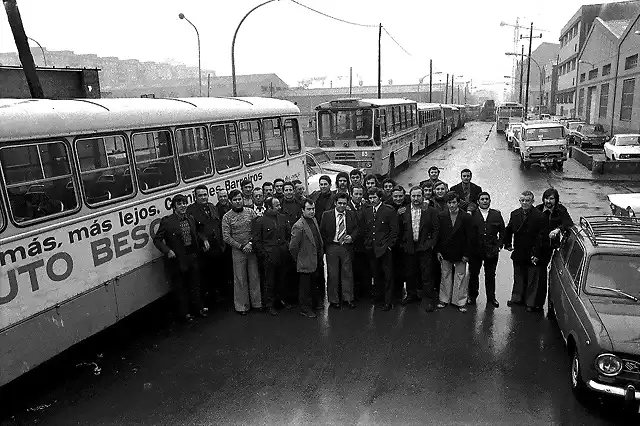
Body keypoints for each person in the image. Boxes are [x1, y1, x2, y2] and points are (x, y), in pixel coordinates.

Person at [153, 194, 207, 322]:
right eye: (179, 204)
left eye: (184, 203)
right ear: (174, 207)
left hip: (192, 255)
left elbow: (196, 233)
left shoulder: (190, 218)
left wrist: (203, 240)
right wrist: (168, 251)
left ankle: (198, 308)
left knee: (195, 284)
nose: (183, 206)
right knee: (180, 287)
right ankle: (185, 313)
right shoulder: (167, 221)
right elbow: (157, 240)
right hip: (178, 259)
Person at [398, 186, 440, 311]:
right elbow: (399, 230)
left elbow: (436, 229)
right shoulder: (403, 211)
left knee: (426, 274)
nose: (416, 199)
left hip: (424, 247)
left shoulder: (430, 211)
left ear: (423, 196)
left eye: (418, 196)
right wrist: (403, 244)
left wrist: (431, 244)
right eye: (413, 196)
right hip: (409, 247)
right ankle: (411, 295)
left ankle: (428, 299)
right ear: (409, 197)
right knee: (410, 273)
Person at [503, 190, 545, 312]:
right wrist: (507, 244)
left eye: (527, 201)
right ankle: (516, 299)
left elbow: (541, 237)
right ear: (519, 201)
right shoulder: (514, 214)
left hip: (532, 252)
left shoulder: (539, 216)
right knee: (518, 277)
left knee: (532, 280)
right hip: (519, 251)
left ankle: (529, 303)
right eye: (522, 200)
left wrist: (536, 254)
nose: (525, 203)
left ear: (532, 201)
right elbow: (509, 229)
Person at [222, 189, 261, 315]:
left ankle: (257, 303)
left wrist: (250, 243)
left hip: (251, 248)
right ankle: (242, 306)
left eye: (239, 199)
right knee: (240, 278)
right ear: (230, 201)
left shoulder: (250, 212)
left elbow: (257, 229)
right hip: (238, 250)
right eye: (235, 200)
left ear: (243, 199)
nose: (238, 202)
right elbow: (226, 236)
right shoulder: (227, 217)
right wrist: (240, 246)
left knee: (254, 276)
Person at [187, 185, 225, 308]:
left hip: (216, 247)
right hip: (204, 249)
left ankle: (217, 296)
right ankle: (206, 300)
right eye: (200, 195)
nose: (203, 197)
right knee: (205, 276)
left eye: (205, 194)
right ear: (195, 197)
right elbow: (192, 230)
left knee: (217, 273)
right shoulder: (191, 210)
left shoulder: (212, 207)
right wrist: (203, 239)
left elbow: (217, 225)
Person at [535, 188, 573, 310]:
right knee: (539, 275)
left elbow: (569, 223)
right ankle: (537, 302)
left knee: (551, 274)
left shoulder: (561, 210)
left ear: (556, 200)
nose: (548, 201)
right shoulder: (538, 209)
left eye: (551, 198)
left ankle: (547, 303)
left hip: (554, 247)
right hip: (541, 246)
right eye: (546, 198)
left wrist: (558, 229)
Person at [361, 187, 398, 311]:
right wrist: (367, 243)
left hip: (385, 249)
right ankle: (379, 296)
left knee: (388, 275)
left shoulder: (388, 210)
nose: (372, 200)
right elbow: (365, 228)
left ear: (380, 197)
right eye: (370, 198)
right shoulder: (367, 211)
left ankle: (388, 301)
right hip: (372, 249)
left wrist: (389, 246)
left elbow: (394, 230)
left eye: (374, 197)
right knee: (375, 274)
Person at [252, 197, 291, 316]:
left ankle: (281, 301)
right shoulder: (260, 221)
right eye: (277, 206)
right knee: (269, 281)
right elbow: (257, 241)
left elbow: (288, 235)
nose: (280, 207)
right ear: (269, 207)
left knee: (282, 279)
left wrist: (286, 247)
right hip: (269, 256)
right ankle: (269, 304)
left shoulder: (283, 218)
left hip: (282, 254)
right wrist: (264, 255)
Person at [320, 192, 359, 309]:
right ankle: (333, 300)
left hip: (346, 247)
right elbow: (322, 231)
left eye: (344, 204)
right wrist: (328, 244)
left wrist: (352, 237)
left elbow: (357, 228)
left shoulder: (351, 214)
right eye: (340, 203)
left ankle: (348, 299)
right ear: (335, 203)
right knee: (332, 274)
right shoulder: (327, 215)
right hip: (333, 246)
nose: (342, 206)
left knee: (347, 273)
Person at [436, 191, 472, 313]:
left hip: (461, 252)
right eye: (449, 203)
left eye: (454, 202)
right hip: (445, 251)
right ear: (446, 203)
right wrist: (438, 251)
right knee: (445, 275)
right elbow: (439, 235)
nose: (452, 205)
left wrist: (467, 254)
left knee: (461, 276)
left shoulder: (466, 217)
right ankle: (444, 299)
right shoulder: (441, 216)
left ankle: (460, 301)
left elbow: (469, 237)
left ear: (458, 203)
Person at [468, 191, 505, 307]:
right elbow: (467, 232)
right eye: (482, 199)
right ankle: (472, 297)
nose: (485, 201)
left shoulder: (496, 215)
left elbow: (503, 231)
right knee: (474, 274)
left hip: (491, 250)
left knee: (490, 275)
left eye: (486, 199)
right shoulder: (472, 215)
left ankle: (491, 298)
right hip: (475, 250)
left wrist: (499, 245)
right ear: (478, 202)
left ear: (490, 201)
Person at [290, 198, 324, 318]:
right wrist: (299, 259)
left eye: (313, 209)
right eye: (308, 209)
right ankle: (305, 308)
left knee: (314, 284)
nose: (311, 211)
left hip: (316, 259)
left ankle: (314, 304)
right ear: (302, 210)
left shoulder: (314, 220)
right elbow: (293, 247)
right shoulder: (298, 226)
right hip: (304, 260)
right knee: (305, 287)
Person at [348, 185, 370, 300]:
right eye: (356, 194)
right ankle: (355, 293)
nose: (358, 196)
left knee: (365, 269)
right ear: (351, 194)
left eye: (360, 194)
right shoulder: (346, 207)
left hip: (364, 243)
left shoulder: (366, 206)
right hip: (352, 244)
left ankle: (365, 292)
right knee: (353, 269)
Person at [388, 186, 409, 301]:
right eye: (395, 196)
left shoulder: (409, 202)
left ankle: (404, 292)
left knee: (406, 270)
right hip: (393, 244)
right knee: (392, 270)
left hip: (406, 242)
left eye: (400, 196)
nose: (398, 198)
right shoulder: (387, 205)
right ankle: (394, 293)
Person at [215, 189, 233, 302]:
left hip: (235, 240)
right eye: (220, 197)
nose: (223, 198)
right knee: (226, 268)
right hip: (224, 243)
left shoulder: (234, 206)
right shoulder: (215, 210)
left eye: (224, 196)